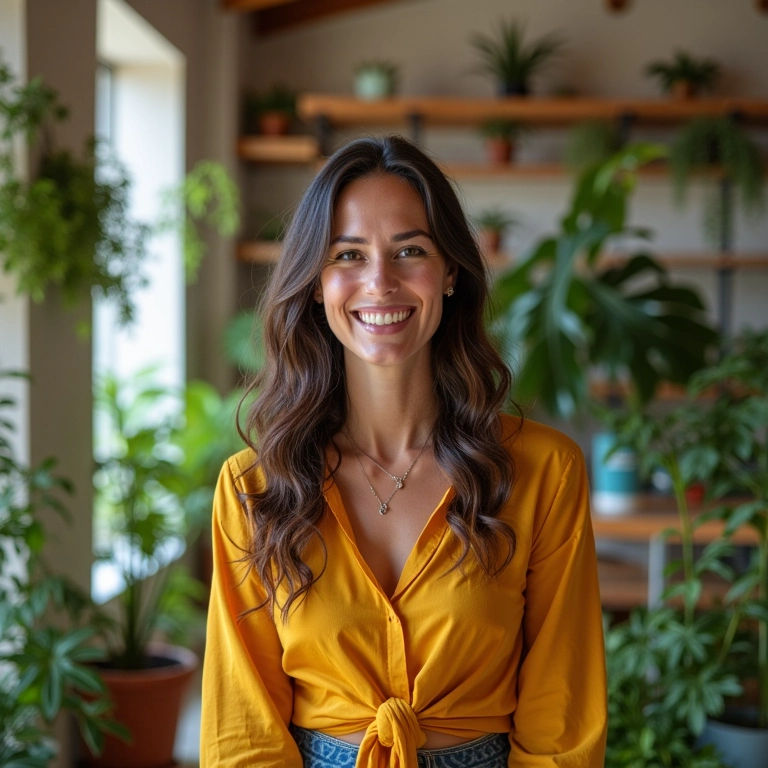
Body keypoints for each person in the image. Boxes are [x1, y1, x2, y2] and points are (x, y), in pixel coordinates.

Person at [200, 135, 607, 768]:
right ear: (314, 282)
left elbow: (563, 705)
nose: (379, 281)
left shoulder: (543, 472)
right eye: (348, 254)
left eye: (409, 250)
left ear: (449, 273)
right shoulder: (255, 488)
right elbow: (242, 726)